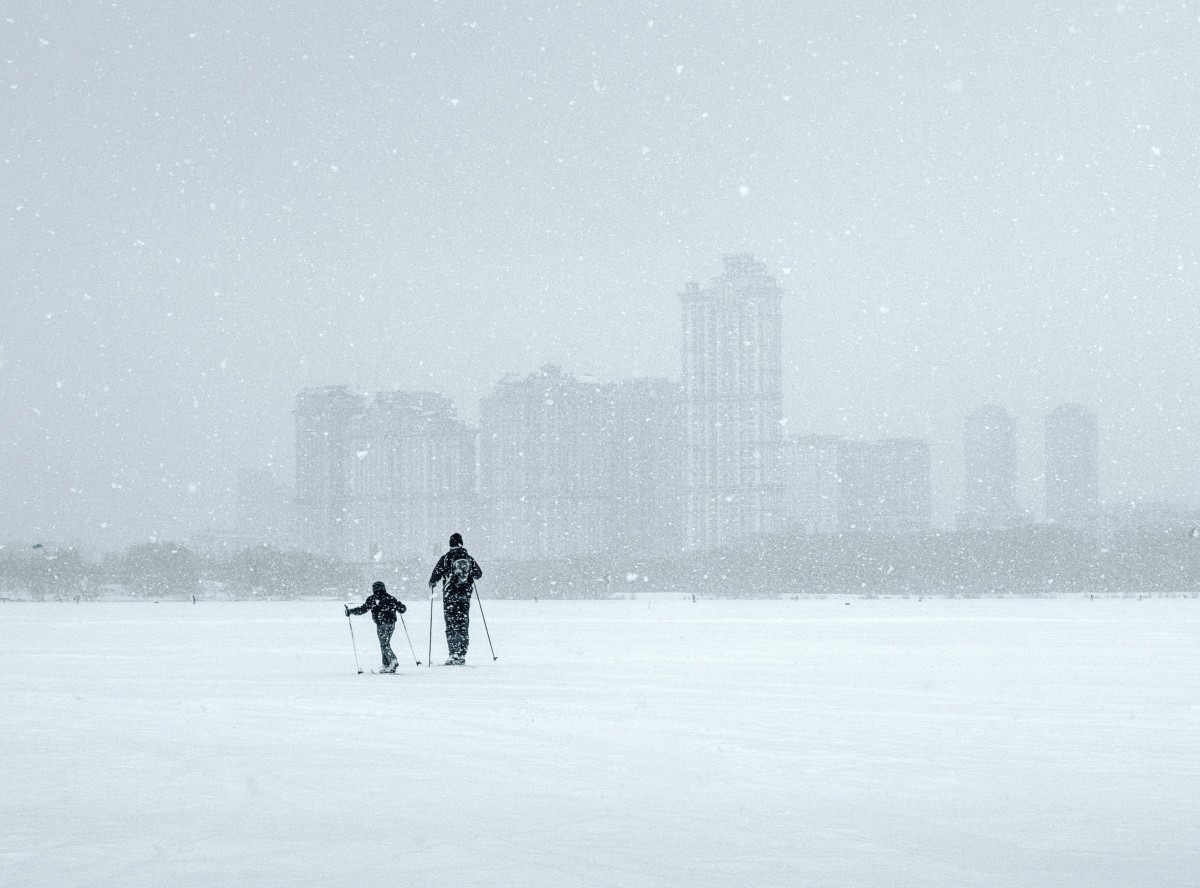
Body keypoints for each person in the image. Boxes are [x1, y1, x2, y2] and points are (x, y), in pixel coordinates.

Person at [428, 533, 482, 665]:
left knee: (451, 625)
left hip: (450, 597)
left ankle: (453, 654)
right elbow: (478, 574)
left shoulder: (446, 558)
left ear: (450, 544)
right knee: (463, 625)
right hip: (465, 597)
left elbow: (435, 575)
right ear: (461, 543)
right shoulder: (469, 558)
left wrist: (433, 582)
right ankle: (462, 654)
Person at [346, 581, 407, 673]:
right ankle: (387, 666)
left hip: (381, 624)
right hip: (391, 624)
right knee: (385, 643)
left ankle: (393, 661)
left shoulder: (372, 599)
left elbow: (363, 609)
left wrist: (351, 611)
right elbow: (402, 609)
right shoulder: (390, 598)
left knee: (384, 644)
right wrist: (397, 606)